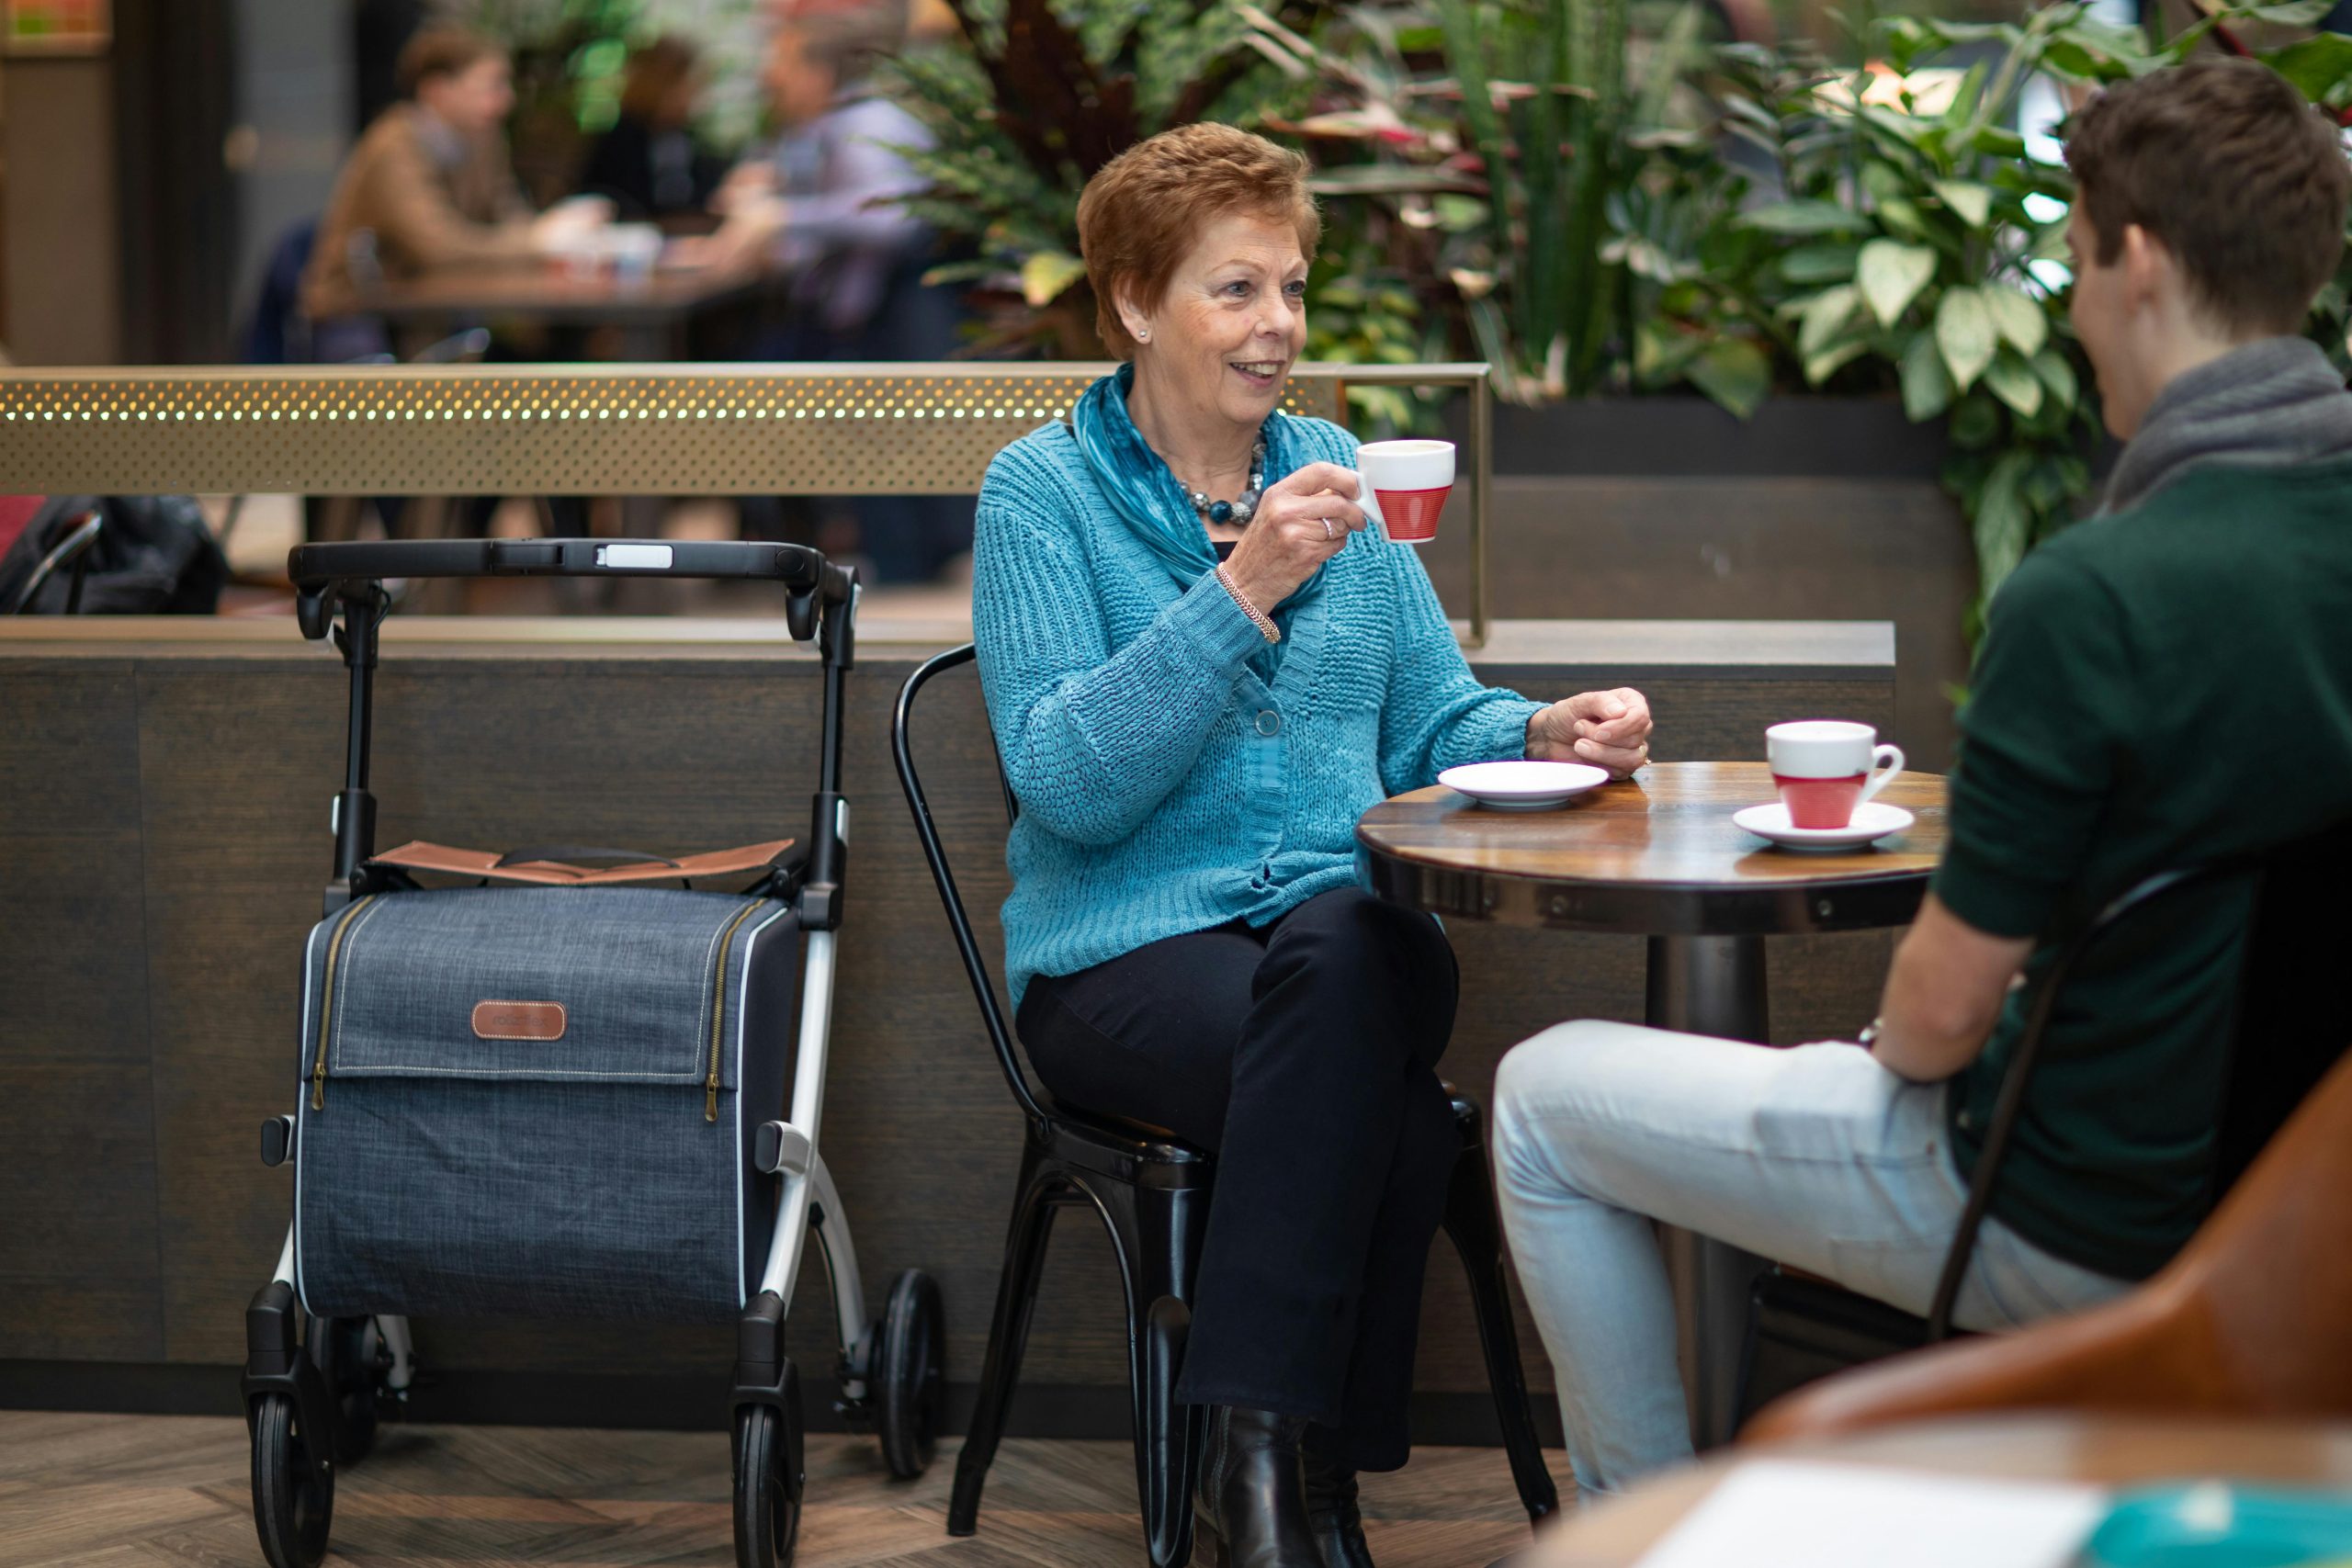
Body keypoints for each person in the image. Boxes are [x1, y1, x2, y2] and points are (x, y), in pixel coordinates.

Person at [1489, 54, 2352, 1500]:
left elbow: (1937, 1022)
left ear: (2136, 263)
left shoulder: (2098, 593)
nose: (2071, 311)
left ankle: (1638, 1536)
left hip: (2081, 1218)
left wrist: (1931, 1023)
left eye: (2073, 264)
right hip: (2310, 1229)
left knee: (1539, 1097)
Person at [970, 123, 1655, 1568]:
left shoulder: (1337, 464)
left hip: (1329, 943)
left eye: (1289, 289)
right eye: (1236, 290)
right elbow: (1066, 782)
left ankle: (1252, 1457)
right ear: (1135, 301)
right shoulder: (1040, 496)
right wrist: (1244, 587)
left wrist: (1545, 731)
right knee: (1388, 1104)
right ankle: (1303, 1478)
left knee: (1349, 943)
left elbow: (1429, 720)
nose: (1277, 325)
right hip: (1124, 958)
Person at [303, 27, 605, 344]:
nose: (507, 99)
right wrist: (538, 241)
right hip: (363, 320)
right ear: (437, 90)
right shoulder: (394, 147)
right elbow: (438, 248)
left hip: (442, 310)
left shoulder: (483, 139)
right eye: (492, 86)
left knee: (547, 343)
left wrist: (559, 239)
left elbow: (509, 214)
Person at [578, 36, 727, 225]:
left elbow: (704, 198)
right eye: (689, 84)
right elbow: (605, 201)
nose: (696, 95)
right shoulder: (619, 145)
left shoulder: (689, 142)